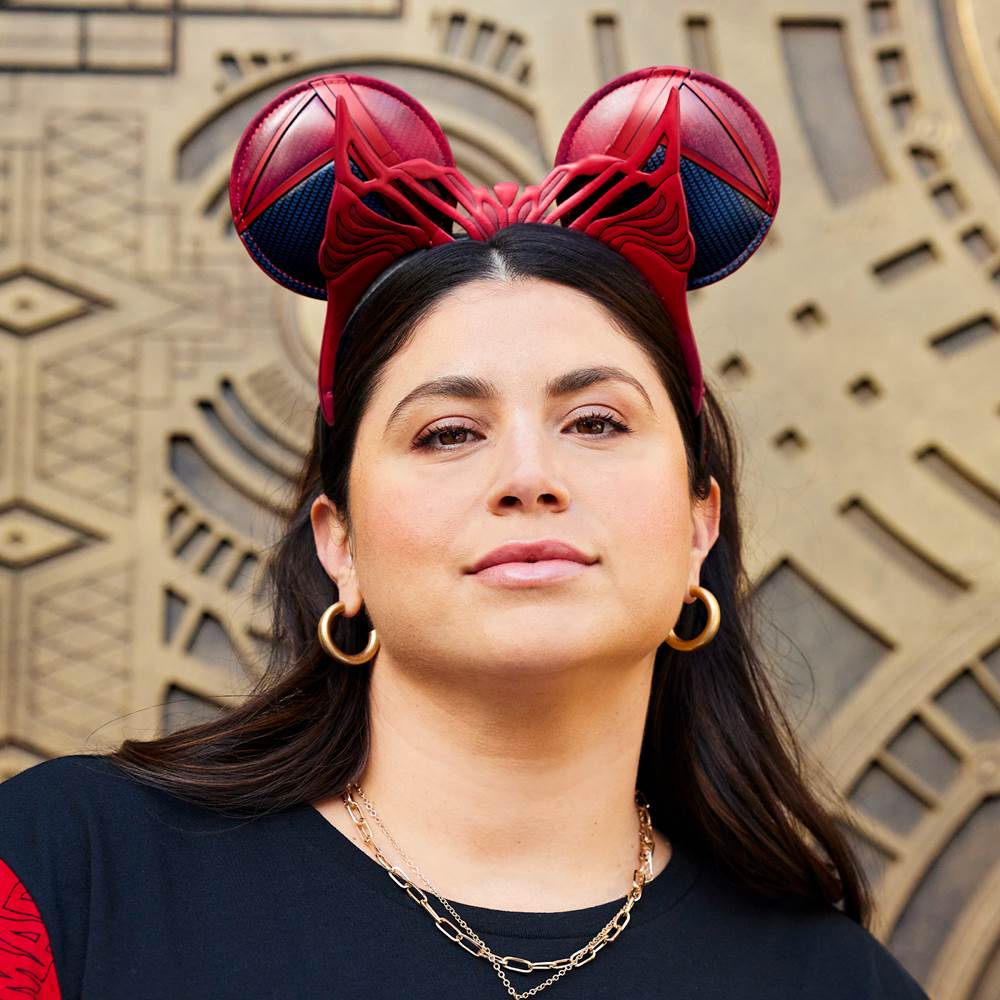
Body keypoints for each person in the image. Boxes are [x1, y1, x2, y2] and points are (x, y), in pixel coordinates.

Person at [0, 68, 929, 999]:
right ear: (339, 544)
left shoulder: (837, 983)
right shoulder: (65, 875)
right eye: (448, 433)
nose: (528, 476)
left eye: (596, 421)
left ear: (700, 526)